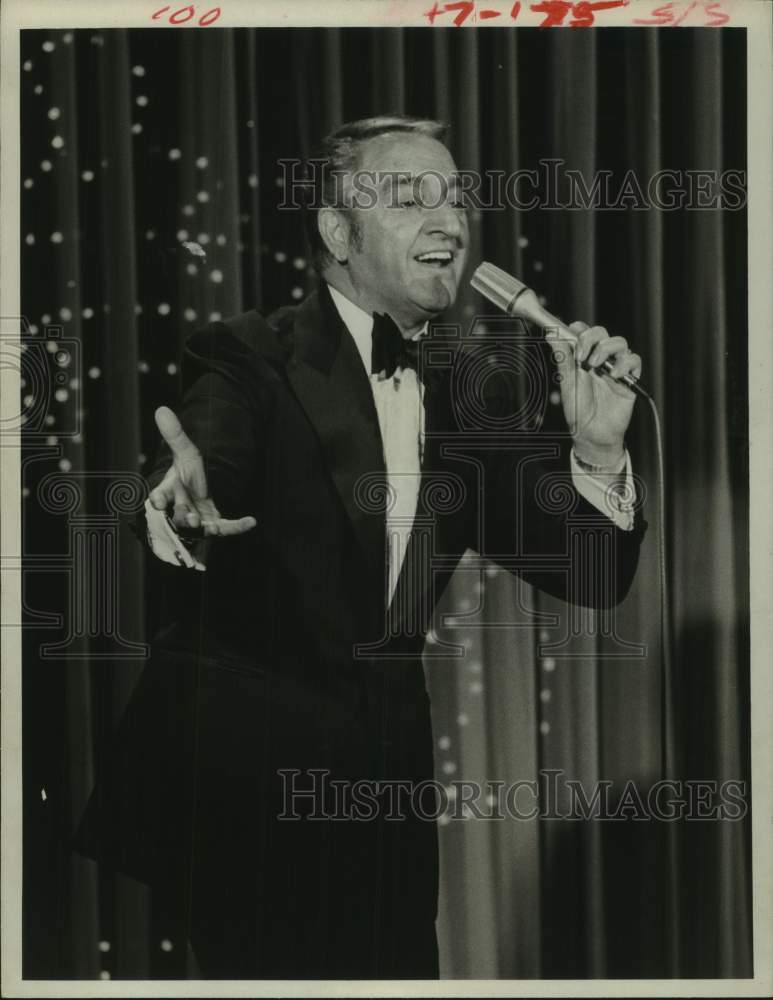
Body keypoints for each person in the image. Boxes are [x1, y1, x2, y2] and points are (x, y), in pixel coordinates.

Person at [73, 115, 646, 979]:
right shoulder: (250, 354)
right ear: (337, 233)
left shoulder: (468, 395)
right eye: (409, 199)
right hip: (246, 795)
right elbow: (206, 451)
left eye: (454, 199)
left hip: (385, 798)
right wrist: (176, 497)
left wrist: (597, 453)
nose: (447, 222)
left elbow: (593, 573)